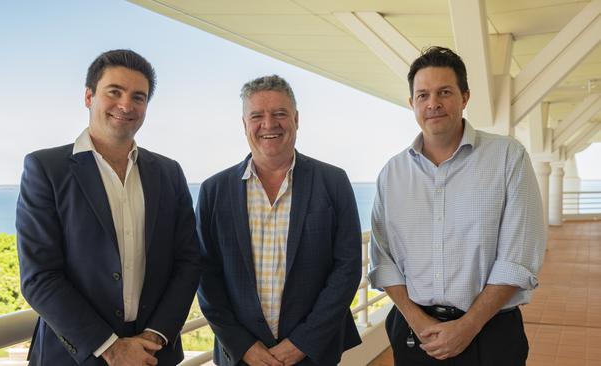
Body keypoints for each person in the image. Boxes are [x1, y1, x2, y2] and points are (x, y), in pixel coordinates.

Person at [16, 49, 201, 366]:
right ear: (89, 96)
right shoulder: (46, 168)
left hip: (153, 355)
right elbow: (39, 276)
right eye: (114, 92)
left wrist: (154, 337)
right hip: (75, 355)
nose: (126, 105)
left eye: (138, 97)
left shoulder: (169, 173)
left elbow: (188, 262)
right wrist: (112, 348)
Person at [369, 46, 546, 365]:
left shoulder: (508, 158)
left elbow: (518, 257)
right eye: (422, 95)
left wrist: (469, 324)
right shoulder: (391, 174)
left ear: (465, 97)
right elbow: (383, 260)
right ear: (411, 104)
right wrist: (417, 320)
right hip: (415, 333)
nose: (433, 103)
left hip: (491, 333)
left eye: (444, 92)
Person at [196, 75, 362, 366]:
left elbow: (347, 269)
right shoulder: (214, 191)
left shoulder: (333, 182)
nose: (269, 124)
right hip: (240, 356)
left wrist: (303, 342)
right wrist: (244, 346)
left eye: (280, 113)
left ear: (296, 119)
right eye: (257, 115)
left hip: (313, 353)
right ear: (244, 124)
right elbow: (205, 275)